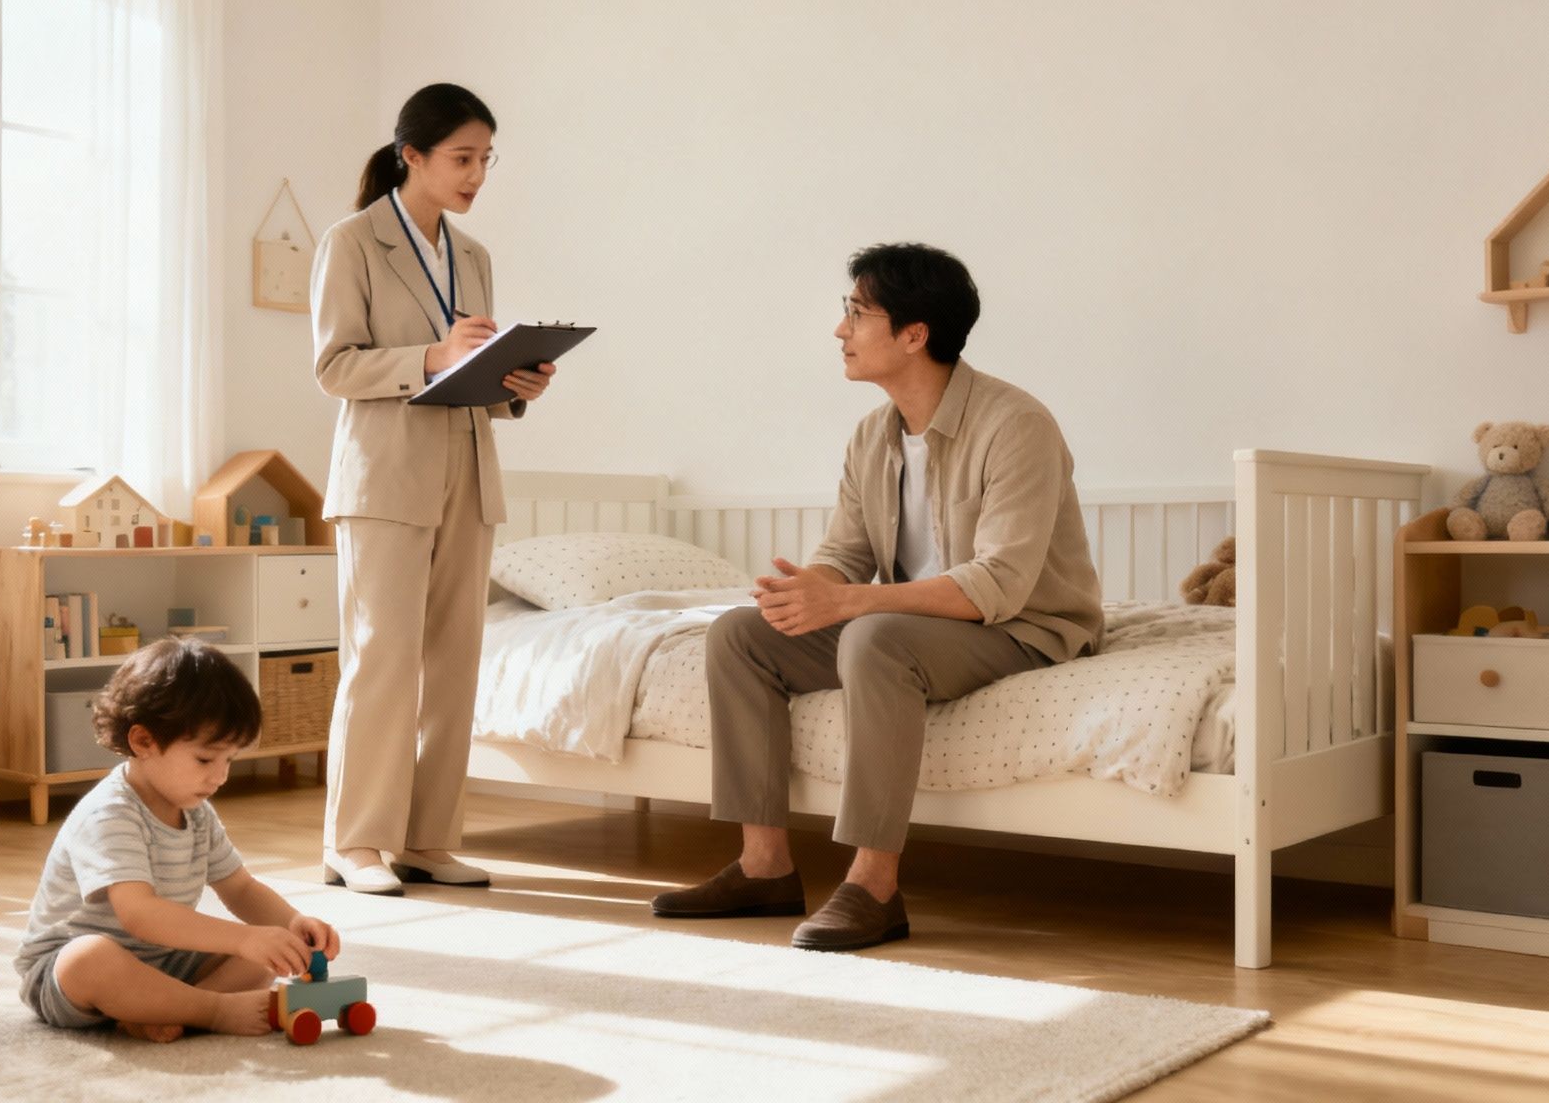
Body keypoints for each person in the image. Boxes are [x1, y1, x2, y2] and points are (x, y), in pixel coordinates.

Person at [650, 243, 1104, 951]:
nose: (841, 331)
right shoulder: (873, 435)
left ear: (914, 335)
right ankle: (765, 867)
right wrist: (808, 591)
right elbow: (846, 555)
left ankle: (874, 885)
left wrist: (854, 605)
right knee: (739, 635)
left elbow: (999, 586)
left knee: (874, 636)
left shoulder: (1017, 425)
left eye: (856, 314)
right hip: (916, 626)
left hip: (1020, 626)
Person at [311, 83, 555, 896]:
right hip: (384, 478)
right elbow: (336, 366)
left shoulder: (473, 255)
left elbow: (470, 375)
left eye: (486, 159)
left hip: (466, 471)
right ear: (411, 155)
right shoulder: (352, 242)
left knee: (455, 663)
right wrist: (433, 355)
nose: (476, 173)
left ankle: (426, 839)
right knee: (381, 660)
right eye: (462, 157)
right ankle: (356, 842)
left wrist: (516, 383)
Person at [14, 639, 343, 1042]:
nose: (220, 776)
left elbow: (240, 887)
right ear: (143, 742)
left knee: (268, 953)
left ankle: (164, 1010)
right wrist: (245, 937)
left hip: (162, 960)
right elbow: (140, 915)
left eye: (229, 760)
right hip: (66, 974)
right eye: (206, 760)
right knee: (90, 958)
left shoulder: (196, 814)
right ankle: (212, 1010)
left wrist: (292, 923)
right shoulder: (109, 813)